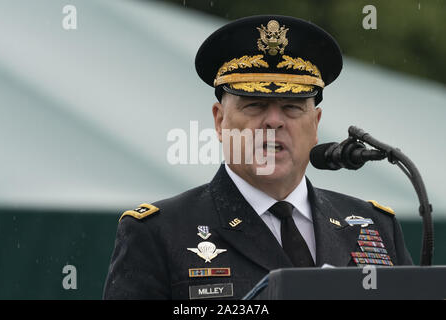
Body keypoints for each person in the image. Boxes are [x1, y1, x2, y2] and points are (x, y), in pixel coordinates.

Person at [103, 15, 412, 300]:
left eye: (292, 107)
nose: (274, 121)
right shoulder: (158, 233)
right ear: (220, 120)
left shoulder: (373, 227)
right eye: (254, 105)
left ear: (315, 124)